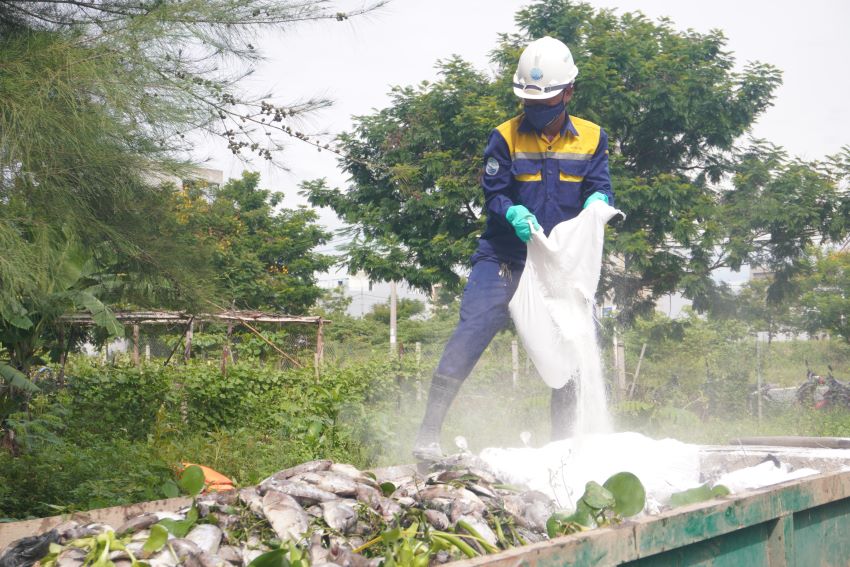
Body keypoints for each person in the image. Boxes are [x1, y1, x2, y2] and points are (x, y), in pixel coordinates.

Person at [413, 36, 615, 461]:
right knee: (469, 333)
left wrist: (599, 204)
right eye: (530, 103)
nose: (536, 111)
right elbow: (495, 193)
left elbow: (601, 187)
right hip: (504, 257)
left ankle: (563, 448)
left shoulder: (593, 139)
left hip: (556, 267)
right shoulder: (504, 137)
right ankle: (427, 435)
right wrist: (513, 215)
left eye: (545, 103)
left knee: (574, 350)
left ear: (569, 93)